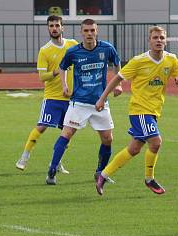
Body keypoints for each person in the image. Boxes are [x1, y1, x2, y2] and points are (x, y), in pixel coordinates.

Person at [93, 26, 178, 196]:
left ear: (166, 41)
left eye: (162, 38)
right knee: (156, 142)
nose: (159, 40)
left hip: (154, 111)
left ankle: (103, 175)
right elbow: (118, 77)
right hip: (139, 110)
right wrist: (102, 98)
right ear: (149, 41)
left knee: (134, 149)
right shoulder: (138, 61)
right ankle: (149, 179)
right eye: (155, 37)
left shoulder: (171, 60)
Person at [45, 18, 121, 186]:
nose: (89, 34)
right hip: (78, 102)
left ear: (97, 31)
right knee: (67, 134)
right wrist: (64, 86)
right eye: (86, 31)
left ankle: (101, 172)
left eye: (92, 30)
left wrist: (119, 84)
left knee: (108, 139)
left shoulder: (107, 48)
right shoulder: (73, 52)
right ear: (81, 32)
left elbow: (117, 63)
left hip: (100, 103)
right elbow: (62, 68)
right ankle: (52, 168)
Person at [15, 15, 77, 174]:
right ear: (48, 28)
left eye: (57, 25)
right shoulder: (45, 50)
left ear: (63, 27)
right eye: (51, 26)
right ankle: (24, 156)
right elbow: (42, 77)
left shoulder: (73, 45)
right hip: (52, 98)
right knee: (42, 126)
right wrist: (58, 70)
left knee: (67, 133)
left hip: (71, 99)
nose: (54, 28)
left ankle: (57, 162)